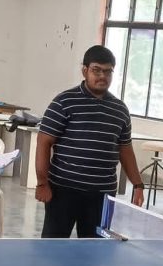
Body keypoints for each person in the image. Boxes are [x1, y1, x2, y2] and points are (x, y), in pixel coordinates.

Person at [35, 46, 144, 237]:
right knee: (52, 247)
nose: (102, 76)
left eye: (108, 71)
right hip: (63, 190)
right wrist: (42, 183)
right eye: (96, 70)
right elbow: (44, 142)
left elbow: (125, 148)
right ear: (84, 70)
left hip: (102, 194)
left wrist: (138, 184)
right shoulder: (64, 102)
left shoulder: (120, 110)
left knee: (95, 249)